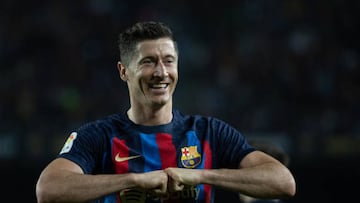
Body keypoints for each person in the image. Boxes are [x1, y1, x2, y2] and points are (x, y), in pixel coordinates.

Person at [35, 21, 296, 203]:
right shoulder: (99, 136)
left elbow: (283, 183)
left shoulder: (209, 133)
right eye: (148, 62)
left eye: (168, 61)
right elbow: (49, 189)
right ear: (123, 71)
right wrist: (135, 181)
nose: (161, 72)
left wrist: (201, 175)